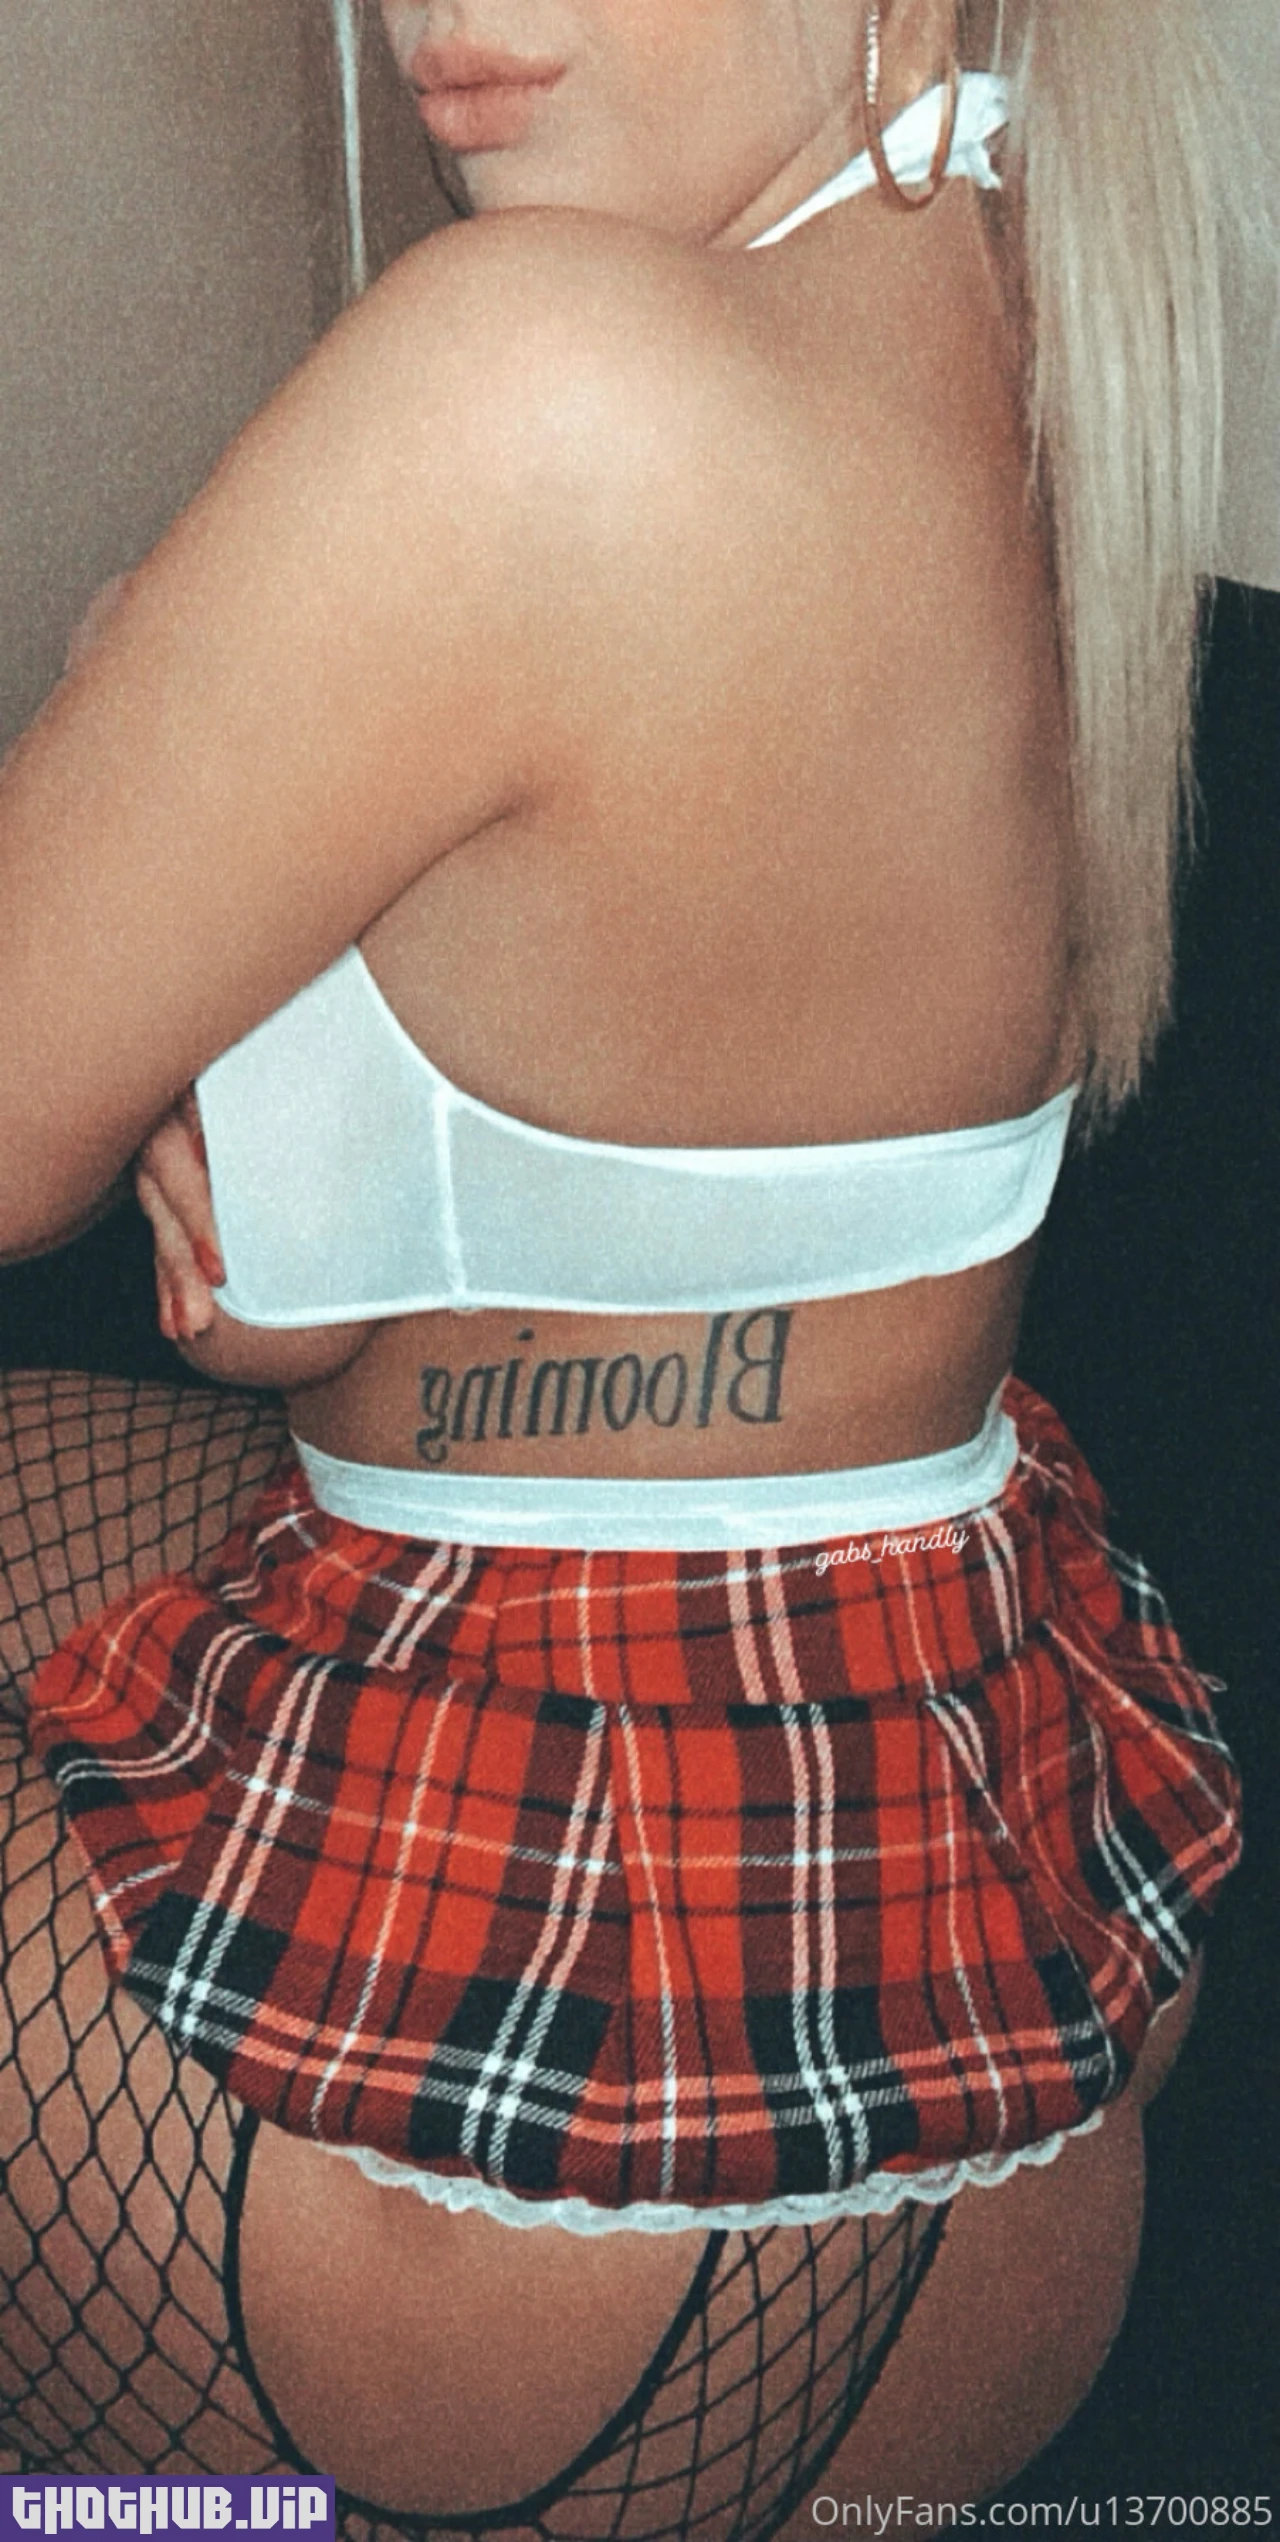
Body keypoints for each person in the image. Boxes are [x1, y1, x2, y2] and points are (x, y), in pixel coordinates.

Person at [0, 0, 1250, 2525]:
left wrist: (133, 662)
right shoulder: (1026, 319)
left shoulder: (537, 371)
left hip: (490, 2251)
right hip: (996, 2087)